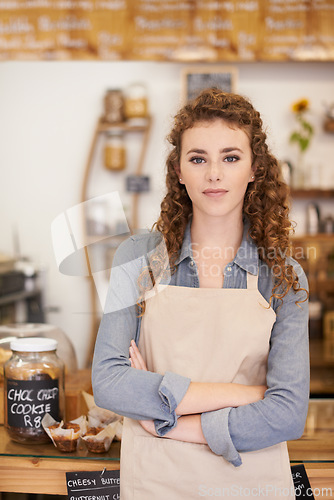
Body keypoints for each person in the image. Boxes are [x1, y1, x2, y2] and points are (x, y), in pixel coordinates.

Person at [92, 88, 309, 499]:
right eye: (198, 159)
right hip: (158, 482)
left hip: (251, 482)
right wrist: (247, 395)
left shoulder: (283, 276)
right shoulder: (137, 259)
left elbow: (288, 415)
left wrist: (175, 423)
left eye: (230, 157)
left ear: (253, 169)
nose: (214, 174)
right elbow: (109, 383)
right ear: (178, 170)